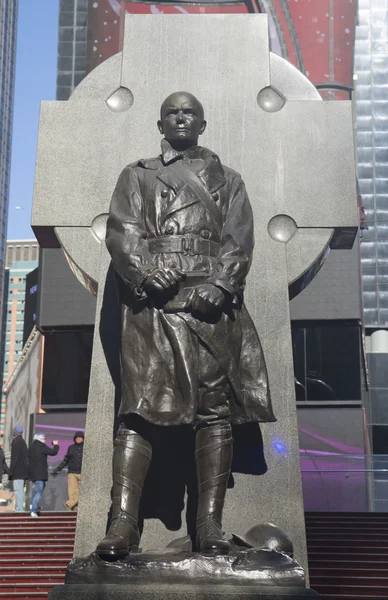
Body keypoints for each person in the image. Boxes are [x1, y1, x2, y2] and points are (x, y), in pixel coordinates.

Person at [96, 91, 275, 559]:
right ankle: (122, 524)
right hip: (151, 307)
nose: (181, 118)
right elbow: (122, 230)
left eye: (189, 112)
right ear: (160, 123)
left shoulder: (229, 180)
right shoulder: (137, 175)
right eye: (173, 112)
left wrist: (222, 284)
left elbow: (240, 240)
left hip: (207, 309)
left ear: (203, 123)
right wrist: (141, 270)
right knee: (137, 412)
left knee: (213, 413)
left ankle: (209, 525)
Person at [28, 433, 59, 517]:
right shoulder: (41, 446)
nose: (45, 440)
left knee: (37, 491)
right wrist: (56, 445)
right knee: (39, 491)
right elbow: (53, 452)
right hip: (40, 474)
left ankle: (33, 505)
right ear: (39, 439)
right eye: (43, 438)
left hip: (33, 474)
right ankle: (33, 511)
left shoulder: (31, 447)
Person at [52, 431, 84, 511]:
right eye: (77, 437)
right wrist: (58, 469)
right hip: (72, 473)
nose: (78, 438)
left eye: (80, 437)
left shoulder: (86, 448)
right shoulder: (71, 448)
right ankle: (74, 508)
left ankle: (68, 504)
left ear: (83, 438)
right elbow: (65, 460)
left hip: (82, 473)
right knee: (71, 491)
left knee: (80, 491)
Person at [9, 425, 28, 511]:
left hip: (18, 472)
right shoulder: (23, 442)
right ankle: (20, 508)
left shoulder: (16, 442)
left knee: (18, 491)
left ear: (15, 432)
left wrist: (11, 472)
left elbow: (14, 459)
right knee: (21, 491)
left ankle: (19, 509)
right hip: (23, 471)